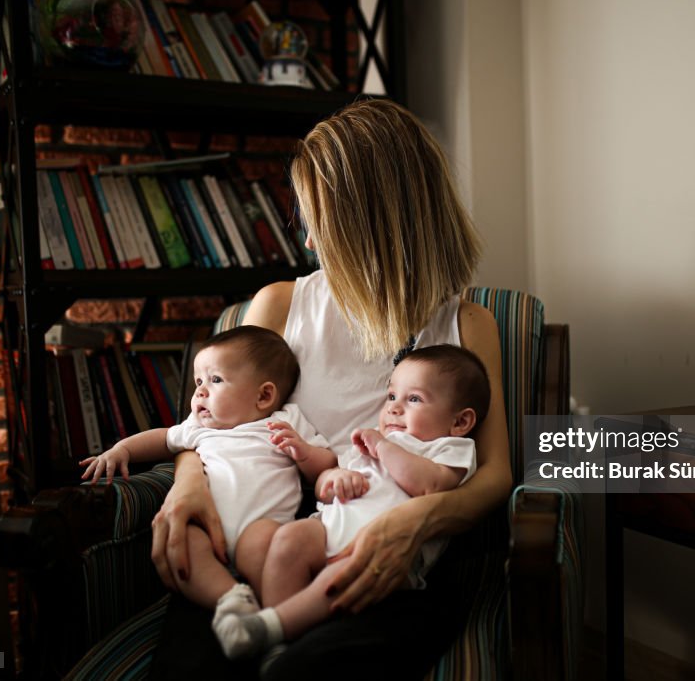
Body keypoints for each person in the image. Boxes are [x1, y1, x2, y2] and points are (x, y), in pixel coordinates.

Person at [151, 98, 512, 679]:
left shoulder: (468, 325)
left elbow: (496, 474)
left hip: (399, 551)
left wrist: (417, 524)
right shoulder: (282, 304)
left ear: (376, 217)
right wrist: (188, 483)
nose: (312, 243)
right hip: (269, 534)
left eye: (322, 221)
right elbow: (213, 425)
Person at [215, 345, 490, 660]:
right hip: (328, 530)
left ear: (460, 422)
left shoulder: (449, 448)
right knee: (289, 538)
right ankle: (280, 642)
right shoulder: (370, 439)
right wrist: (333, 480)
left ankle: (272, 626)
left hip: (383, 555)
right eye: (391, 397)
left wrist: (383, 447)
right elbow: (326, 482)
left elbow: (431, 486)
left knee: (343, 573)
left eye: (413, 399)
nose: (395, 408)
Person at [80, 326, 336, 627]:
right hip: (203, 520)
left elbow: (327, 463)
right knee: (183, 545)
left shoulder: (285, 421)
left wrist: (303, 451)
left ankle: (274, 620)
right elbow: (163, 438)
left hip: (260, 526)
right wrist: (121, 450)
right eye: (198, 381)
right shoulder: (198, 428)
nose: (200, 391)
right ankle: (230, 600)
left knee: (266, 549)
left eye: (215, 380)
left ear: (264, 395)